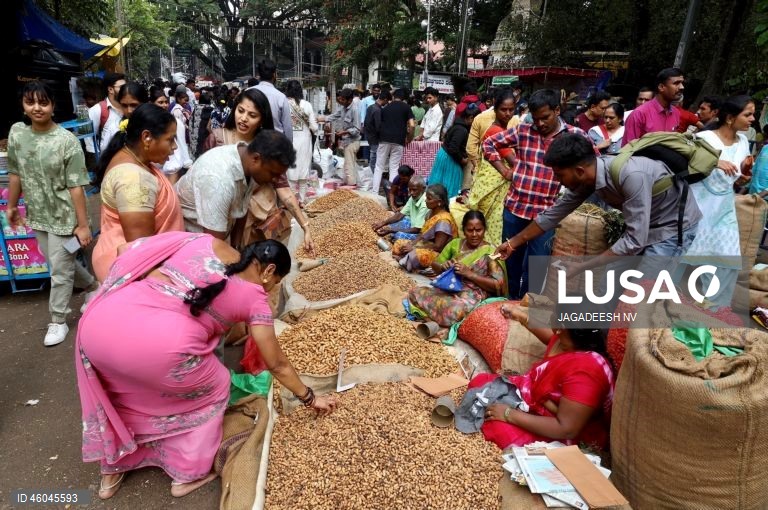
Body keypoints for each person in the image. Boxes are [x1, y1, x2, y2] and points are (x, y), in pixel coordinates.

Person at [76, 232, 339, 500]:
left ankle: (112, 470)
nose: (271, 290)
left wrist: (163, 287)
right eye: (276, 282)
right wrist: (309, 397)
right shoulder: (255, 299)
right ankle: (187, 473)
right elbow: (277, 364)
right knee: (217, 386)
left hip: (98, 327)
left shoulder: (198, 241)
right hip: (163, 347)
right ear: (269, 271)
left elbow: (124, 249)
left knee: (124, 388)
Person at [495, 133, 702, 274]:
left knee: (643, 293)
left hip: (670, 229)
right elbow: (553, 214)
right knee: (608, 285)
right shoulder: (588, 179)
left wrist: (583, 267)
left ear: (579, 171)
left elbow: (634, 240)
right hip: (641, 228)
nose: (558, 181)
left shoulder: (631, 176)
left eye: (559, 175)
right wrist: (513, 243)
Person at [5, 81, 96, 346]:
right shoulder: (17, 133)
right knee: (61, 260)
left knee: (58, 268)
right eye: (30, 102)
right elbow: (15, 172)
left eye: (43, 102)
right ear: (23, 105)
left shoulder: (66, 141)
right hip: (37, 212)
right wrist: (12, 205)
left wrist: (82, 225)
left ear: (53, 106)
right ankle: (91, 285)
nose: (37, 108)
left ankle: (58, 320)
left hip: (65, 216)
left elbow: (76, 187)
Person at [483, 89, 593, 298]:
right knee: (511, 263)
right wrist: (506, 170)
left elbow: (594, 163)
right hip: (516, 209)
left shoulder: (574, 136)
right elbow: (489, 144)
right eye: (536, 119)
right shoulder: (523, 131)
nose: (540, 124)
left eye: (545, 118)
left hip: (547, 214)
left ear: (557, 110)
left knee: (537, 267)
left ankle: (527, 306)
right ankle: (509, 303)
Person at [475, 302, 614, 450]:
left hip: (561, 430)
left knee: (498, 430)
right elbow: (550, 337)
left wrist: (509, 414)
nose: (555, 330)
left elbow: (567, 429)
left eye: (559, 326)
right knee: (480, 382)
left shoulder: (587, 371)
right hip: (536, 402)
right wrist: (521, 316)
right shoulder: (565, 340)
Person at [91, 103, 185, 282]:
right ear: (147, 137)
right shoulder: (134, 179)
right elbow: (141, 252)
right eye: (170, 139)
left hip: (119, 258)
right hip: (133, 273)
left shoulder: (131, 159)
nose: (174, 147)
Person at [680, 96, 755, 309]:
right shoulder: (703, 138)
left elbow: (737, 177)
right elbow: (684, 168)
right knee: (680, 255)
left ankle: (715, 311)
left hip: (723, 209)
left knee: (727, 259)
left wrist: (742, 178)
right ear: (730, 118)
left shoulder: (743, 142)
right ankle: (658, 304)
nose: (753, 119)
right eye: (748, 114)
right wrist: (715, 162)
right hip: (696, 207)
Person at [176, 130, 297, 246]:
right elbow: (214, 246)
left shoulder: (247, 160)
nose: (275, 180)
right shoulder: (219, 180)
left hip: (217, 236)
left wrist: (236, 245)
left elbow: (241, 208)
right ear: (256, 159)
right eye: (273, 174)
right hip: (193, 242)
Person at [407, 211, 506, 327]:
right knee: (415, 292)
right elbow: (435, 265)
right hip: (450, 289)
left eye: (478, 230)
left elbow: (498, 285)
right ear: (463, 230)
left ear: (484, 230)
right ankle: (437, 318)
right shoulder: (455, 244)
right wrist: (443, 267)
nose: (474, 234)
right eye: (470, 230)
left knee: (455, 310)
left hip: (471, 295)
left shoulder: (490, 252)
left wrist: (470, 274)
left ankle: (431, 316)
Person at [468, 90, 517, 245]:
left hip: (492, 186)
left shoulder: (505, 130)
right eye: (503, 109)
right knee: (492, 229)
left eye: (511, 109)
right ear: (495, 109)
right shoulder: (496, 132)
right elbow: (514, 161)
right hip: (493, 187)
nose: (508, 114)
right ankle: (489, 261)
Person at [392, 184, 458, 272]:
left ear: (440, 202)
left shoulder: (444, 220)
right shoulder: (430, 213)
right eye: (426, 197)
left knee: (417, 255)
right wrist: (412, 244)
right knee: (399, 243)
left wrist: (415, 248)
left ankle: (407, 260)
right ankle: (405, 259)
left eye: (429, 199)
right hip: (426, 245)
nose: (426, 201)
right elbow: (422, 235)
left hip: (439, 254)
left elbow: (438, 247)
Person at [623, 68, 685, 145]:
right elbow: (627, 150)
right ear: (661, 87)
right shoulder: (639, 114)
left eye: (682, 83)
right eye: (676, 83)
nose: (682, 87)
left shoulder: (676, 113)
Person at [428, 104, 478, 198]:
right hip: (450, 159)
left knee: (438, 185)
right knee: (449, 186)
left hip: (444, 155)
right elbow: (453, 148)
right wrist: (462, 160)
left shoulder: (457, 125)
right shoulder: (461, 130)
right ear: (471, 118)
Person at [373, 88, 416, 195]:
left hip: (384, 139)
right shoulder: (407, 107)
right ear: (404, 98)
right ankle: (391, 193)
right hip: (399, 140)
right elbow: (412, 124)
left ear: (393, 97)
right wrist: (409, 138)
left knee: (379, 166)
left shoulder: (386, 107)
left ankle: (374, 192)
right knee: (394, 167)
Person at [285, 80, 318, 204]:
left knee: (291, 170)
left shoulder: (284, 104)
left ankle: (292, 201)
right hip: (304, 142)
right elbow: (314, 127)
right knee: (303, 170)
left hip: (289, 142)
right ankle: (302, 200)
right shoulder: (307, 105)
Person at [323, 88, 361, 186]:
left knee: (349, 166)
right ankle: (352, 183)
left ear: (350, 100)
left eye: (343, 100)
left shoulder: (354, 110)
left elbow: (357, 129)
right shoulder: (343, 108)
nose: (341, 101)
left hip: (352, 142)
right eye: (341, 99)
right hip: (346, 141)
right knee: (349, 164)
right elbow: (334, 116)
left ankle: (351, 186)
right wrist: (321, 119)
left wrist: (344, 132)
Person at [374, 175, 428, 241]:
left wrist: (392, 230)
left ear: (423, 188)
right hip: (413, 224)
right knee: (402, 220)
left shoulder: (425, 203)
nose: (411, 193)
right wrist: (383, 223)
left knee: (398, 235)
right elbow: (400, 215)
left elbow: (417, 229)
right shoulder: (413, 198)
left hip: (421, 232)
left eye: (414, 190)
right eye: (410, 190)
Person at [254, 59, 293, 141]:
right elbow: (287, 128)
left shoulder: (248, 93)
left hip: (252, 144)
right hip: (275, 145)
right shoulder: (281, 97)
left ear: (258, 75)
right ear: (274, 75)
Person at [88, 72, 126, 154]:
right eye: (122, 87)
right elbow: (89, 140)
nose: (126, 90)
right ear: (110, 89)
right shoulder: (97, 110)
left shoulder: (129, 107)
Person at [164, 90, 193, 184]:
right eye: (185, 100)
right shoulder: (177, 112)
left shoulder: (180, 111)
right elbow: (180, 140)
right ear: (179, 99)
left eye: (165, 102)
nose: (186, 102)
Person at [364, 90, 391, 175]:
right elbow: (378, 126)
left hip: (369, 135)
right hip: (375, 137)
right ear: (385, 99)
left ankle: (373, 175)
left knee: (373, 156)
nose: (386, 104)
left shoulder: (370, 107)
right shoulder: (378, 110)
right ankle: (374, 176)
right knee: (375, 158)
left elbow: (366, 122)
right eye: (387, 102)